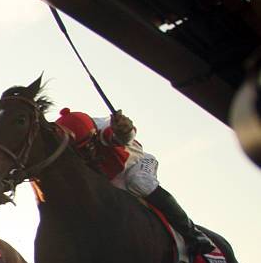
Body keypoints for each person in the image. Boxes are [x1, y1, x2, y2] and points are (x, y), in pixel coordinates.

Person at [55, 108, 215, 255]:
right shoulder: (63, 145)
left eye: (88, 146)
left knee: (139, 182)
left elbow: (122, 136)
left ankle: (193, 234)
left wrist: (125, 130)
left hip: (137, 164)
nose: (88, 152)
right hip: (112, 180)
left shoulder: (103, 127)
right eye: (81, 150)